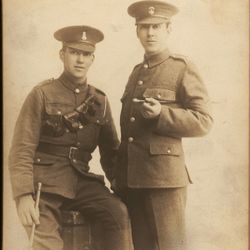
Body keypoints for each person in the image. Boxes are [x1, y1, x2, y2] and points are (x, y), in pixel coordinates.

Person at [8, 25, 133, 250]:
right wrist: (23, 195)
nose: (80, 60)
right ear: (62, 54)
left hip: (82, 182)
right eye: (74, 52)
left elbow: (111, 153)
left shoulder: (100, 101)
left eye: (86, 54)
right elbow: (22, 148)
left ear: (92, 59)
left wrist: (121, 186)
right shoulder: (42, 94)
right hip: (43, 186)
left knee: (118, 214)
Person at [113, 1, 213, 249]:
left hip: (165, 182)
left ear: (169, 28)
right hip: (133, 181)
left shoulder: (181, 67)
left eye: (156, 26)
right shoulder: (136, 72)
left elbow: (204, 121)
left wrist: (162, 115)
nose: (150, 33)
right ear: (137, 31)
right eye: (144, 27)